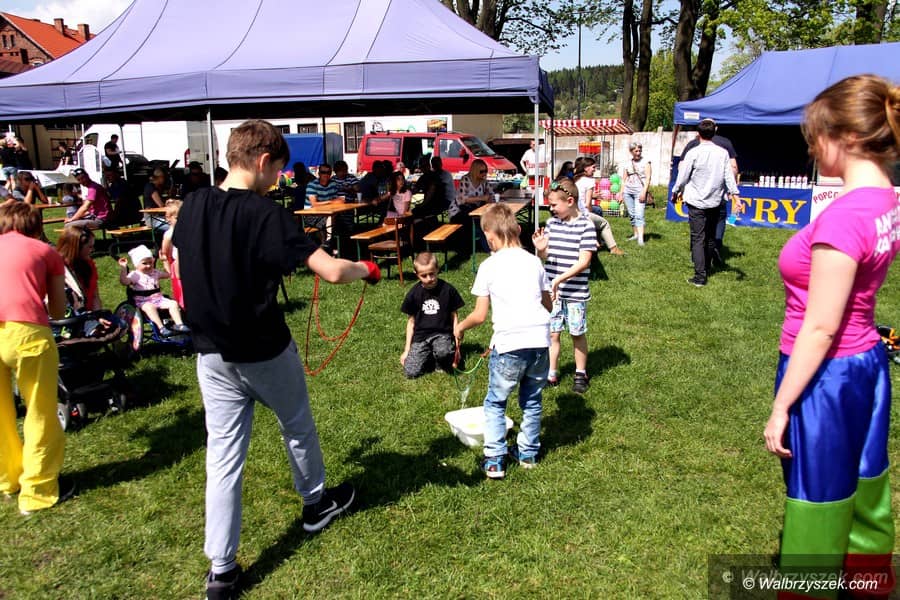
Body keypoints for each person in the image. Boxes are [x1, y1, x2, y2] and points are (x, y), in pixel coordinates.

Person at [172, 120, 381, 598]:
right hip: (262, 349)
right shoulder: (267, 215)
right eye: (279, 171)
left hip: (210, 352)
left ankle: (222, 570)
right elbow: (331, 271)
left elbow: (175, 252)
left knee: (223, 457)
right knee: (297, 425)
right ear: (264, 161)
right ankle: (316, 504)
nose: (279, 180)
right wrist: (366, 267)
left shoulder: (195, 202)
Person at [763, 74, 900, 596]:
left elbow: (820, 327)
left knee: (817, 498)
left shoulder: (844, 218)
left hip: (826, 374)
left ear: (847, 137)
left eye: (816, 137)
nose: (810, 148)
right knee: (863, 485)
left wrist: (781, 405)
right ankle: (867, 581)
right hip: (866, 365)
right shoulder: (885, 200)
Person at [455, 203, 551, 479]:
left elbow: (479, 316)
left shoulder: (488, 266)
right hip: (539, 342)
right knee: (532, 400)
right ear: (518, 229)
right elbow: (547, 304)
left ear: (489, 237)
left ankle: (495, 459)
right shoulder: (534, 262)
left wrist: (460, 327)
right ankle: (528, 454)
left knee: (496, 402)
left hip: (509, 346)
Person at [0, 202, 72, 516]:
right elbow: (58, 310)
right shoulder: (45, 252)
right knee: (40, 412)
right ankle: (37, 491)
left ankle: (7, 480)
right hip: (27, 333)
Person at [533, 178, 597, 394]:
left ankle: (580, 373)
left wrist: (559, 280)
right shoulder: (552, 224)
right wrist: (542, 249)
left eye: (553, 205)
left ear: (570, 201)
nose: (550, 209)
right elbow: (547, 256)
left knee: (577, 333)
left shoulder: (586, 226)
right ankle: (551, 373)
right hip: (554, 293)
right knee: (553, 333)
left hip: (575, 292)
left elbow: (584, 261)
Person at [672, 119, 741, 287]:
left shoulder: (693, 152)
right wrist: (735, 196)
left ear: (698, 134)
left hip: (696, 201)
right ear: (714, 132)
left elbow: (683, 175)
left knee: (698, 238)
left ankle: (700, 276)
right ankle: (707, 268)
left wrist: (676, 191)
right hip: (715, 201)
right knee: (710, 237)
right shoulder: (722, 153)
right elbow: (729, 176)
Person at [400, 252, 464, 378]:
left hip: (442, 334)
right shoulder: (413, 294)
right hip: (421, 336)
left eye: (432, 273)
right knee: (410, 372)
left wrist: (458, 348)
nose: (429, 278)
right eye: (424, 275)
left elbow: (455, 317)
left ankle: (440, 361)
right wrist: (407, 350)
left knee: (444, 352)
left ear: (437, 269)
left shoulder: (448, 290)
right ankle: (429, 355)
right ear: (416, 274)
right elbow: (411, 322)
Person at [118, 245, 188, 337]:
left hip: (158, 299)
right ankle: (161, 327)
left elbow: (168, 274)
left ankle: (179, 324)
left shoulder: (155, 272)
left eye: (150, 262)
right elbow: (124, 282)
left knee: (173, 303)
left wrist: (165, 261)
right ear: (136, 264)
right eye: (144, 263)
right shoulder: (135, 275)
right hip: (143, 301)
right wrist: (124, 268)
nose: (148, 265)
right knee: (150, 307)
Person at [573, 157, 625, 256]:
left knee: (597, 211)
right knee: (604, 223)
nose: (595, 170)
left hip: (573, 211)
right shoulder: (589, 181)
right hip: (582, 213)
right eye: (593, 167)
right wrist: (589, 216)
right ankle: (613, 249)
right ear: (586, 168)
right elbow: (588, 203)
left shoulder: (575, 179)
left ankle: (597, 242)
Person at [56, 226, 104, 312]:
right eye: (89, 247)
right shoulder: (57, 268)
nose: (93, 250)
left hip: (90, 315)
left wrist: (98, 315)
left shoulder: (89, 264)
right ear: (76, 248)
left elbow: (95, 297)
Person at [450, 158, 492, 255]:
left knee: (484, 221)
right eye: (481, 171)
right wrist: (481, 198)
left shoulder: (484, 182)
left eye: (486, 171)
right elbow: (462, 199)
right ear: (475, 170)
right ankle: (487, 248)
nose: (484, 173)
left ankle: (488, 246)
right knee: (477, 223)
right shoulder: (465, 180)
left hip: (473, 210)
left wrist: (489, 198)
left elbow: (491, 194)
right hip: (458, 211)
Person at [619, 141, 652, 246]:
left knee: (639, 215)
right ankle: (635, 234)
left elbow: (648, 178)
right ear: (631, 151)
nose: (638, 153)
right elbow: (624, 179)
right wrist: (621, 192)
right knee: (632, 214)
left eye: (639, 151)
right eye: (636, 151)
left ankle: (641, 239)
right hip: (628, 191)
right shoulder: (627, 163)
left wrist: (644, 192)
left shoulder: (646, 162)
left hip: (639, 191)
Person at [160, 199, 184, 308]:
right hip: (177, 265)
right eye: (177, 218)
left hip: (187, 263)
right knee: (181, 290)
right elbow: (165, 254)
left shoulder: (187, 230)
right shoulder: (169, 234)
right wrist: (169, 269)